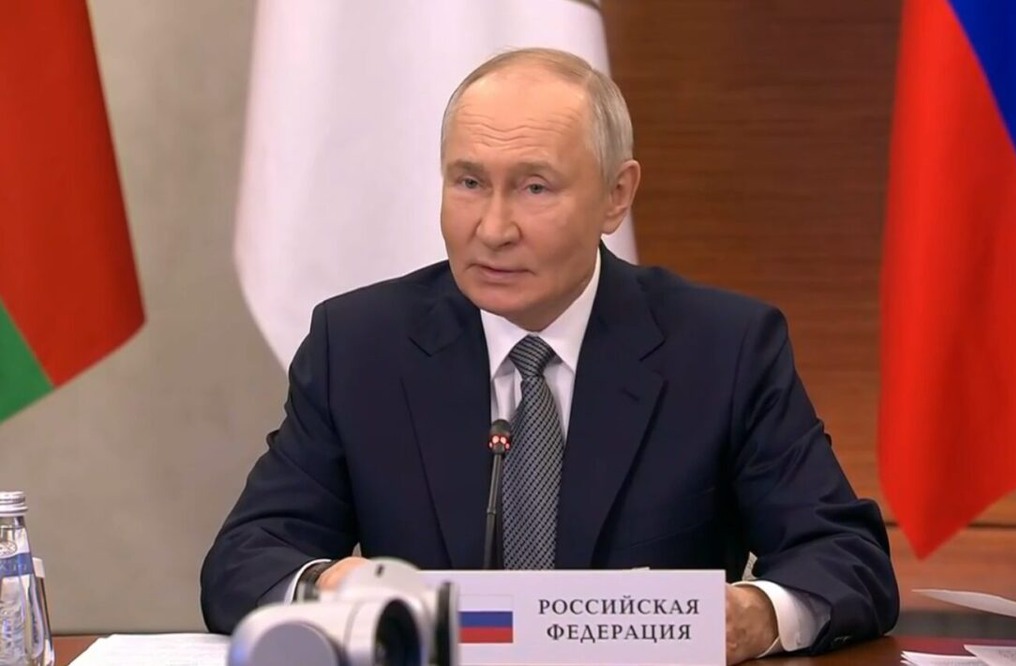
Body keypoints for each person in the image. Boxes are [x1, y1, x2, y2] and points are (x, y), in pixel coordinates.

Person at [200, 47, 898, 663]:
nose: (492, 228)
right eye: (468, 182)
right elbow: (243, 561)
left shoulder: (723, 349)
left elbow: (846, 558)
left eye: (534, 187)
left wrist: (753, 617)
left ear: (616, 196)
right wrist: (327, 584)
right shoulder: (361, 346)